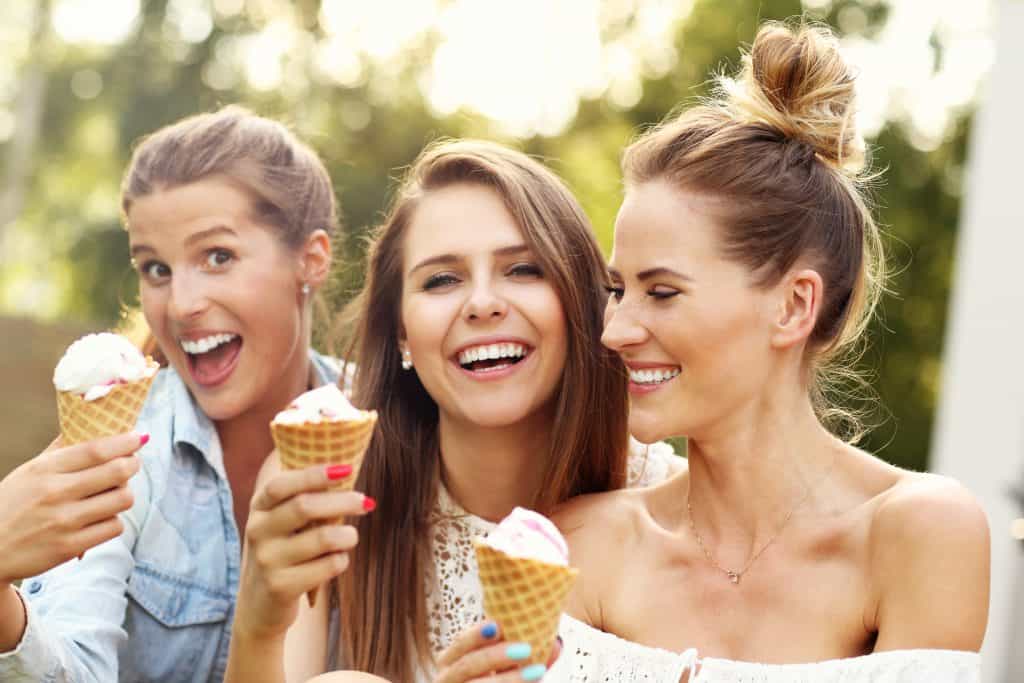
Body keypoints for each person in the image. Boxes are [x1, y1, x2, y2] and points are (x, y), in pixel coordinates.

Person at [531, 20, 987, 681]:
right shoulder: (581, 545)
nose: (615, 330)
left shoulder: (917, 535)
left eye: (661, 292)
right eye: (617, 288)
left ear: (793, 305)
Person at [224, 140, 681, 683]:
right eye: (442, 280)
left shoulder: (670, 505)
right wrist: (257, 624)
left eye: (524, 270)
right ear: (401, 333)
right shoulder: (329, 488)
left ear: (580, 303)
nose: (482, 303)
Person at [0, 105, 354, 682]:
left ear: (309, 260)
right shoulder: (124, 451)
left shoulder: (393, 419)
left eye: (218, 257)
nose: (182, 303)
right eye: (156, 269)